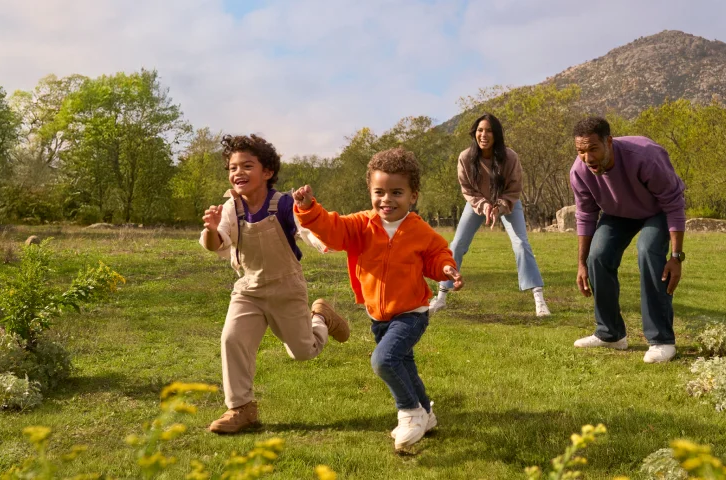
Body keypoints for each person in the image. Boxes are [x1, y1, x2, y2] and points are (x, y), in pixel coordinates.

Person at [293, 147, 463, 450]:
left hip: (411, 313)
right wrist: (309, 209)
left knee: (384, 360)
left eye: (397, 192)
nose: (387, 199)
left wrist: (446, 268)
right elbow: (332, 229)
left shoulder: (420, 231)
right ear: (370, 192)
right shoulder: (361, 224)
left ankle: (409, 413)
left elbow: (436, 256)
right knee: (404, 363)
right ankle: (426, 414)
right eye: (379, 192)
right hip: (378, 316)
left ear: (413, 196)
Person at [199, 134, 350, 433]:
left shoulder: (283, 204)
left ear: (267, 172)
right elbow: (217, 244)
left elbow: (309, 232)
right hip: (249, 289)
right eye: (233, 167)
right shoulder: (231, 208)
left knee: (302, 352)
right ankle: (241, 408)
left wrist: (310, 211)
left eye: (247, 166)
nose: (238, 172)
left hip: (286, 288)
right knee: (232, 339)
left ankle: (321, 318)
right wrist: (212, 229)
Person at [567, 117, 688, 364]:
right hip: (617, 213)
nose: (587, 158)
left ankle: (662, 340)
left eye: (593, 149)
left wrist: (676, 257)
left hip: (657, 211)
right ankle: (610, 334)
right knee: (597, 256)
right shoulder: (580, 172)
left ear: (609, 142)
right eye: (580, 151)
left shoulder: (645, 156)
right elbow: (586, 216)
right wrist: (582, 263)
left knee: (648, 250)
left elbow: (673, 203)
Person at [429, 113, 549, 317]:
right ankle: (441, 297)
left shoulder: (510, 157)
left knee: (521, 244)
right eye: (480, 130)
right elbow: (467, 189)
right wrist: (484, 205)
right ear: (474, 133)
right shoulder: (465, 157)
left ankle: (539, 299)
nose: (483, 135)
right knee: (457, 244)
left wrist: (499, 206)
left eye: (489, 131)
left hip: (507, 203)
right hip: (477, 203)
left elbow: (514, 188)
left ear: (497, 134)